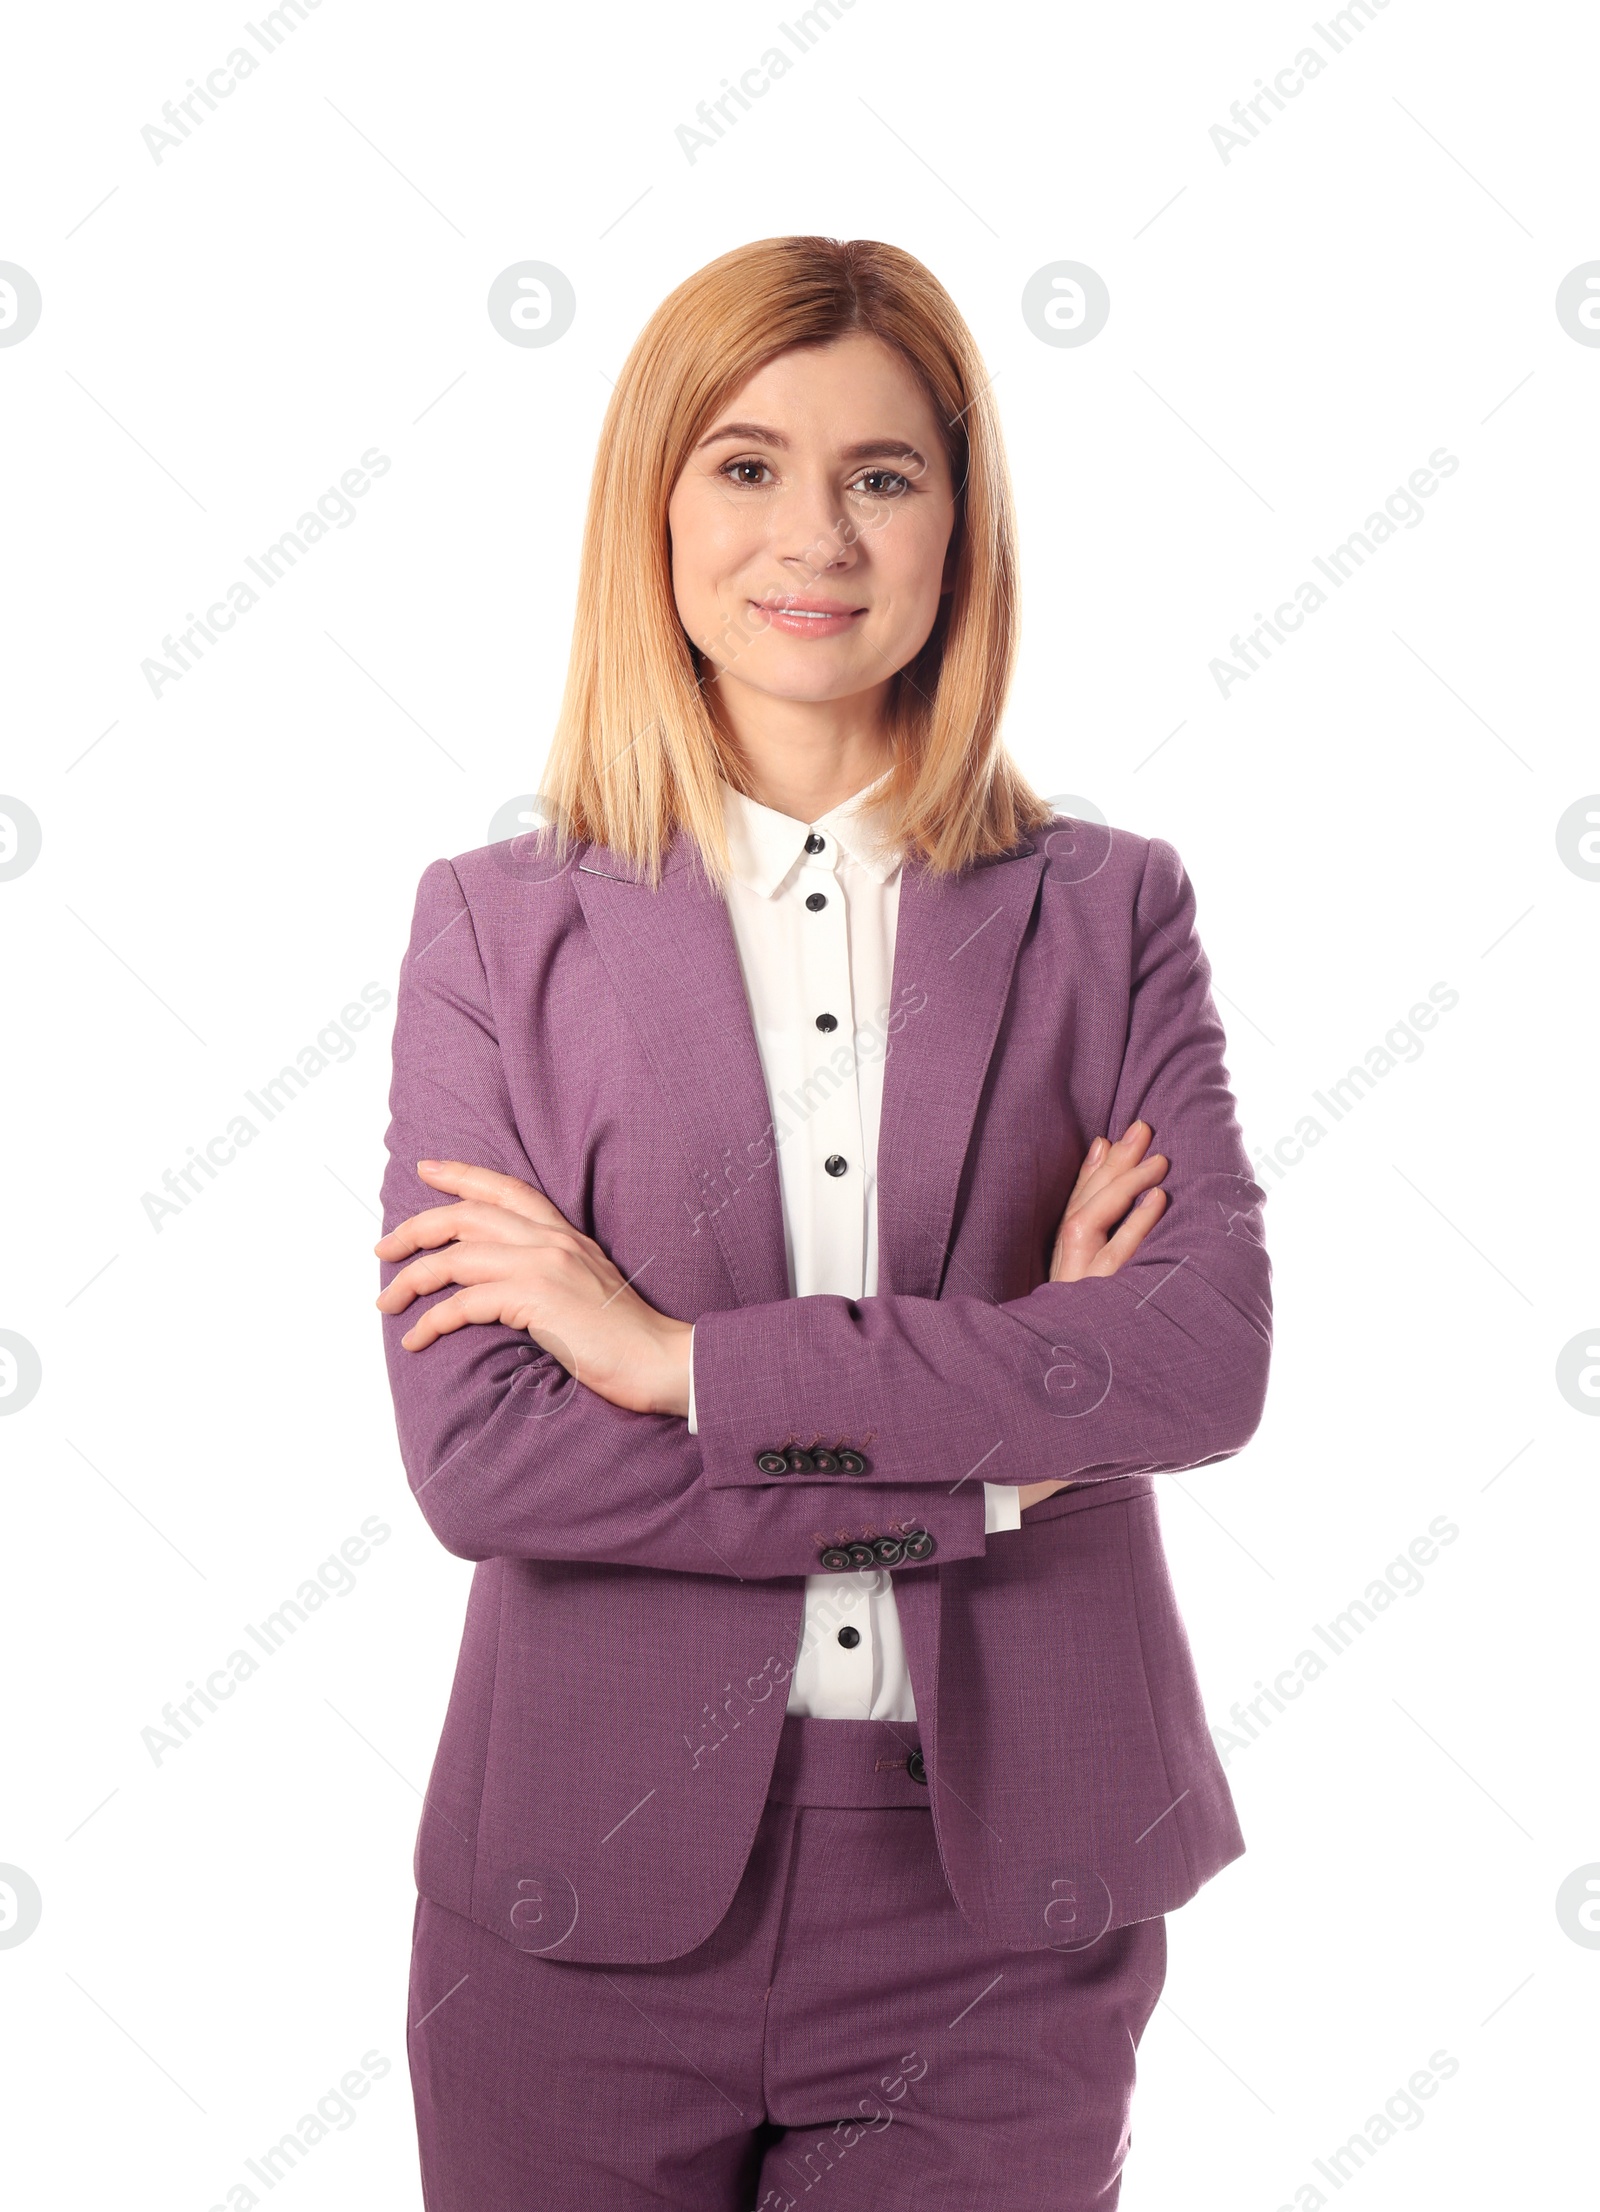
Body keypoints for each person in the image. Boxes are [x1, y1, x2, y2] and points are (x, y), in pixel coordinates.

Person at [374, 234, 1272, 2211]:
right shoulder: (493, 927)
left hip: (1004, 1904)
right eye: (747, 463)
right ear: (656, 506)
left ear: (959, 519)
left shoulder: (1102, 911)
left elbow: (1197, 1356)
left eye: (882, 472)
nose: (817, 534)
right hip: (575, 1895)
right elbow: (484, 1456)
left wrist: (679, 1361)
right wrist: (991, 1467)